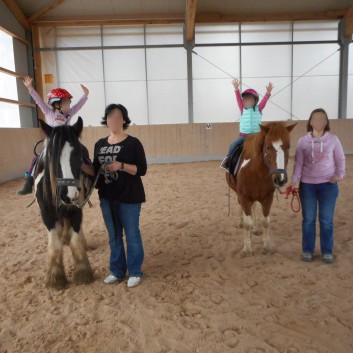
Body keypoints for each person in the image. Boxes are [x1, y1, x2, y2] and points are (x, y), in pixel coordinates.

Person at [84, 103, 147, 288]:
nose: (113, 120)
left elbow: (141, 170)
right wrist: (80, 165)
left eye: (118, 117)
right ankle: (117, 271)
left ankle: (135, 271)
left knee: (132, 234)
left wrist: (121, 166)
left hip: (129, 197)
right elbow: (95, 170)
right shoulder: (100, 144)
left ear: (124, 120)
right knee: (114, 236)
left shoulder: (133, 143)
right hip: (107, 197)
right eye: (110, 117)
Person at [17, 76, 89, 195]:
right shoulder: (49, 112)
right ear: (56, 104)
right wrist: (30, 88)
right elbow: (39, 101)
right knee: (36, 158)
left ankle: (89, 170)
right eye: (66, 102)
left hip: (66, 142)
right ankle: (28, 181)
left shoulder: (69, 113)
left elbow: (78, 106)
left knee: (81, 153)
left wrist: (85, 95)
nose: (69, 106)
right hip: (53, 143)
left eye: (69, 103)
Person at [290, 108, 345, 263]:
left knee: (326, 220)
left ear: (326, 122)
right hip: (307, 185)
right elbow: (298, 163)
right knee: (308, 219)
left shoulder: (334, 140)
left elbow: (340, 159)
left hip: (328, 185)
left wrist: (340, 175)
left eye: (322, 119)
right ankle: (307, 251)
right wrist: (294, 180)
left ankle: (327, 251)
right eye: (315, 118)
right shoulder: (302, 141)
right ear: (311, 122)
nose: (319, 121)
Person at [220, 79, 273, 171]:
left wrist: (268, 93)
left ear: (255, 101)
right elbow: (238, 99)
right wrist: (236, 89)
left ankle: (274, 161)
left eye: (249, 99)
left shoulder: (259, 108)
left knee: (269, 144)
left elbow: (264, 101)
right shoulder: (242, 109)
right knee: (233, 145)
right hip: (244, 136)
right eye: (245, 99)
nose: (246, 101)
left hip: (257, 135)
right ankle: (227, 161)